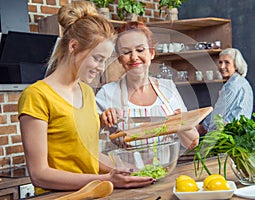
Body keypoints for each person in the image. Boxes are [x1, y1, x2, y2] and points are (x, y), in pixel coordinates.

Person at [18, 1, 155, 195]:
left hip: (95, 193)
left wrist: (127, 170)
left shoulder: (87, 92)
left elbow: (86, 156)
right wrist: (107, 179)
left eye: (104, 60)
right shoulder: (37, 96)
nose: (101, 68)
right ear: (73, 46)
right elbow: (39, 174)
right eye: (97, 58)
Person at [96, 21, 199, 149]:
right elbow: (87, 138)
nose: (134, 57)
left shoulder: (168, 88)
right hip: (126, 168)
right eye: (126, 52)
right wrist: (101, 121)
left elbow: (192, 143)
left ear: (151, 53)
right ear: (119, 58)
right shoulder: (107, 93)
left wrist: (180, 124)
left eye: (140, 50)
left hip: (167, 166)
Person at [198, 48, 253, 134]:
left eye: (227, 62)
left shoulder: (232, 86)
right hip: (240, 134)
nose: (222, 66)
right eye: (220, 62)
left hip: (230, 134)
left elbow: (219, 114)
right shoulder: (243, 82)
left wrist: (203, 127)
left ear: (236, 65)